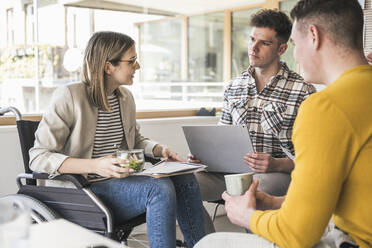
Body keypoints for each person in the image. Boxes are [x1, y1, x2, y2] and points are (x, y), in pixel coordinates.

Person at [195, 0, 372, 247]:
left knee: (210, 244)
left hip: (352, 240)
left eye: (296, 45)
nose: (297, 54)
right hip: (344, 223)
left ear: (314, 36)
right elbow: (346, 190)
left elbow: (297, 235)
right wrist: (275, 203)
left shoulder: (324, 106)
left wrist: (248, 217)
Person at [29, 31, 205, 248]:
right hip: (84, 189)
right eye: (131, 61)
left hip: (120, 183)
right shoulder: (69, 96)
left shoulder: (124, 98)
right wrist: (96, 165)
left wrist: (159, 150)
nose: (137, 66)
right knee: (158, 189)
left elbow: (135, 140)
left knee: (184, 177)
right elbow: (38, 157)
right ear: (108, 67)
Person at [192, 9, 316, 233]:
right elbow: (223, 135)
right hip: (229, 173)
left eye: (264, 43)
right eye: (251, 39)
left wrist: (276, 164)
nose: (253, 47)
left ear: (281, 49)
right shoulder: (233, 86)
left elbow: (314, 159)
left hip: (276, 175)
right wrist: (206, 155)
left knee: (254, 190)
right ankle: (203, 241)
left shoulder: (303, 91)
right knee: (183, 184)